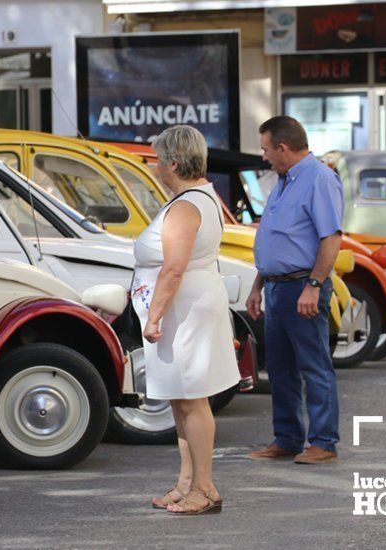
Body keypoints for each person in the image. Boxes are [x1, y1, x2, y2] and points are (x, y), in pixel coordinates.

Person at [132, 125, 239, 515]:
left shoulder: (184, 206)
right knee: (183, 399)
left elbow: (173, 270)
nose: (156, 167)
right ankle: (188, 481)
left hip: (183, 312)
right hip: (191, 307)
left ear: (173, 163)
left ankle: (205, 488)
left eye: (159, 160)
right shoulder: (200, 197)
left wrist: (154, 316)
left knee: (192, 401)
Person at [246, 116, 342, 465]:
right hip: (276, 288)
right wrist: (258, 285)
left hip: (303, 286)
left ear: (283, 148)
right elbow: (275, 239)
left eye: (266, 149)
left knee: (314, 364)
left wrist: (313, 287)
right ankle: (287, 438)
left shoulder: (319, 179)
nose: (264, 156)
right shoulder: (284, 181)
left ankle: (324, 442)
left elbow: (330, 238)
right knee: (281, 367)